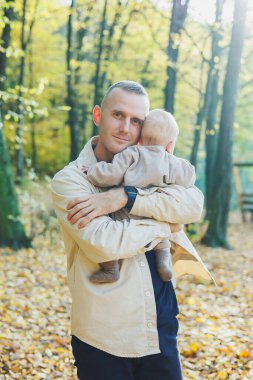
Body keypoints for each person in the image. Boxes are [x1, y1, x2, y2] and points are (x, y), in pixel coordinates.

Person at [51, 81, 213, 380]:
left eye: (136, 120)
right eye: (118, 115)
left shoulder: (157, 164)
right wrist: (164, 222)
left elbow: (193, 204)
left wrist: (127, 197)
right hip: (104, 334)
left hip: (159, 323)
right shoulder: (72, 180)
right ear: (98, 115)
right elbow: (105, 244)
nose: (126, 128)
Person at [83, 109, 196, 284]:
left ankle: (111, 268)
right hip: (157, 214)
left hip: (127, 214)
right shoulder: (173, 163)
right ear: (170, 145)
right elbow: (189, 179)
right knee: (162, 238)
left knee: (109, 220)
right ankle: (164, 261)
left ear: (140, 139)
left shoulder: (131, 155)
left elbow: (110, 174)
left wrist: (92, 171)